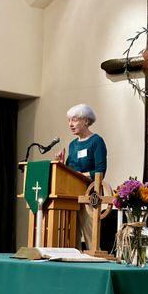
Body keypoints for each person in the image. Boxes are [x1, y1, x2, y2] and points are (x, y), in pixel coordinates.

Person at [56, 103, 107, 249]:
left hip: (90, 195)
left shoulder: (96, 141)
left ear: (86, 121)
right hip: (72, 195)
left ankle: (94, 262)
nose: (70, 124)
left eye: (75, 120)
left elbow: (100, 170)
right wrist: (60, 165)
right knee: (71, 235)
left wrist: (82, 175)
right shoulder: (72, 145)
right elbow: (69, 172)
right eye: (69, 120)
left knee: (91, 235)